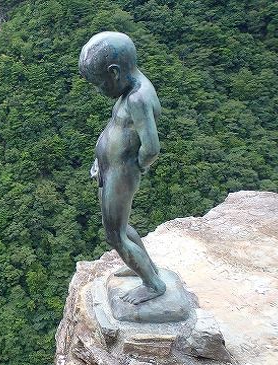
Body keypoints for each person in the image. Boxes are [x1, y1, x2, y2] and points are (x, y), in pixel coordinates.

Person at [79, 31, 166, 304]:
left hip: (121, 173)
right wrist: (100, 159)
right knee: (121, 227)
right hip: (111, 168)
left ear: (114, 73)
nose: (98, 90)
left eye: (99, 83)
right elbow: (115, 129)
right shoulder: (128, 89)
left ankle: (153, 285)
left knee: (114, 235)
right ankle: (141, 265)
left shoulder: (138, 99)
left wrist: (135, 168)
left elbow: (151, 147)